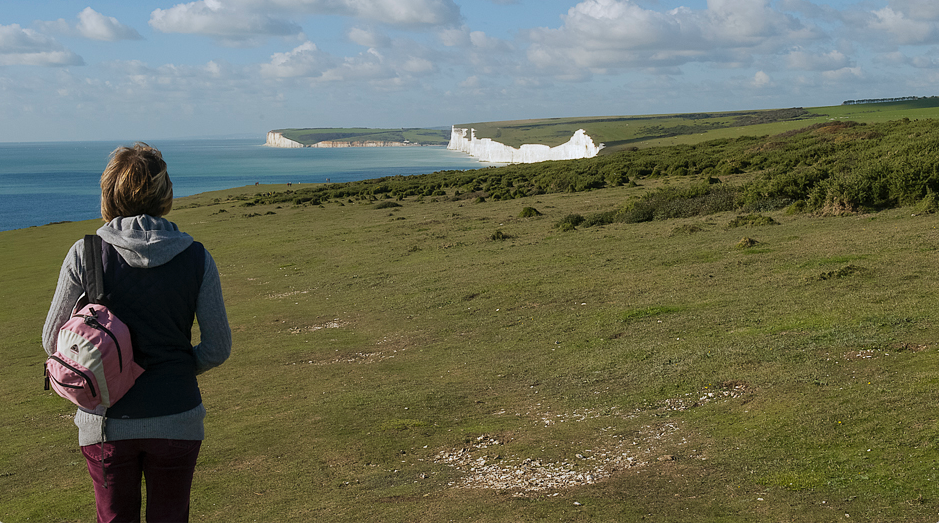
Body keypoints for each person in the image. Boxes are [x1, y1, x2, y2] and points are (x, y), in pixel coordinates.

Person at [42, 142, 232, 522]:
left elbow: (52, 340)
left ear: (109, 192)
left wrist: (112, 369)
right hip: (177, 417)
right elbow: (217, 347)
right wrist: (175, 367)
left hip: (106, 422)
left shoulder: (85, 253)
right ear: (165, 194)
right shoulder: (196, 256)